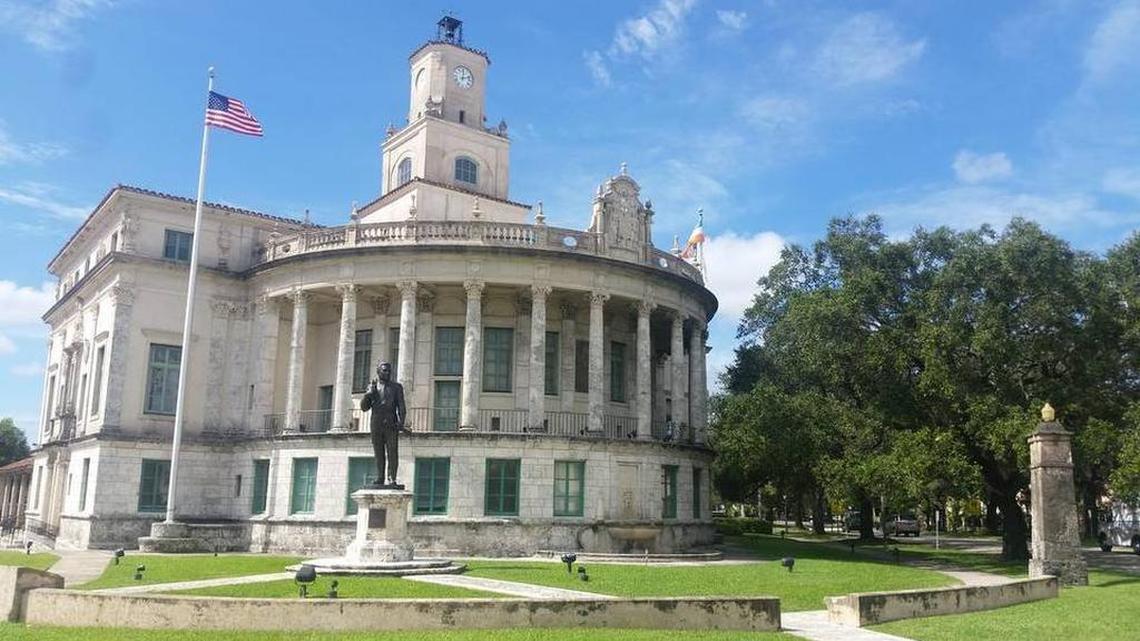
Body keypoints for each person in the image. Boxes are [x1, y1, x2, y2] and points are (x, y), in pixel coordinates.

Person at [359, 361, 407, 487]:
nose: (387, 373)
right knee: (378, 452)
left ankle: (392, 478)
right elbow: (364, 408)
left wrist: (401, 422)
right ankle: (380, 477)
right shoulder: (372, 387)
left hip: (391, 424)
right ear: (378, 371)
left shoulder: (397, 387)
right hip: (376, 424)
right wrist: (367, 395)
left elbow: (401, 406)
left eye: (389, 371)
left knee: (392, 452)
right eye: (384, 370)